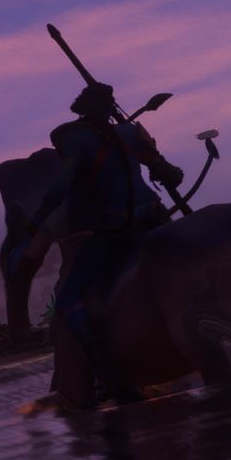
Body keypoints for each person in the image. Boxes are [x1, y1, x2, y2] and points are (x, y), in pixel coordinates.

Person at [24, 82, 185, 408]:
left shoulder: (77, 138)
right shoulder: (131, 133)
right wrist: (160, 164)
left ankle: (107, 375)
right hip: (155, 219)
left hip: (117, 231)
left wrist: (38, 216)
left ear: (83, 109)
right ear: (109, 107)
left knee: (69, 300)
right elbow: (173, 176)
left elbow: (63, 184)